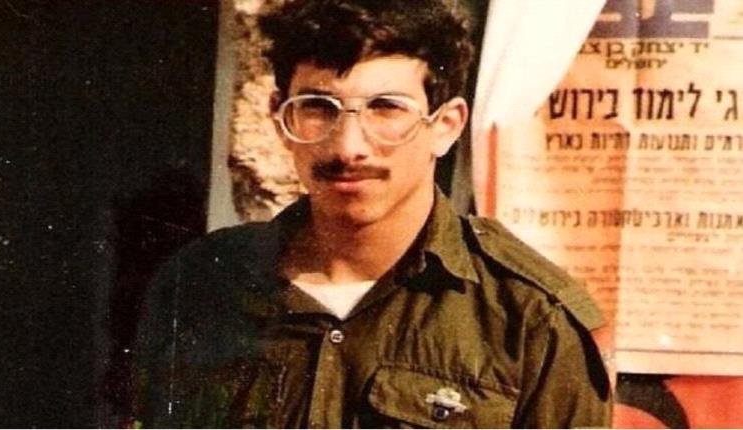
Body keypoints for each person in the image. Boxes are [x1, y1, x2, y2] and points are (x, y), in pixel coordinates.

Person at [134, 0, 611, 427]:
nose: (348, 147)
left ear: (446, 126)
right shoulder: (200, 285)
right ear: (281, 117)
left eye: (386, 108)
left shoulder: (530, 318)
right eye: (318, 107)